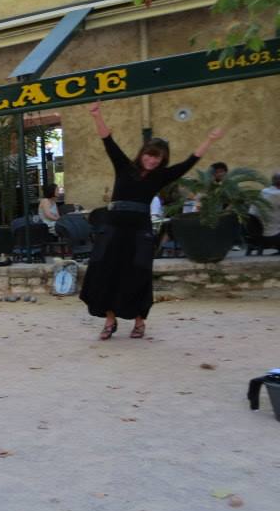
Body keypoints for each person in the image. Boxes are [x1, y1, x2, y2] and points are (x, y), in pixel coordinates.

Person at [81, 101, 223, 340]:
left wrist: (209, 139)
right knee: (105, 272)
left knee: (138, 274)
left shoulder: (161, 176)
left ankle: (139, 322)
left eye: (158, 158)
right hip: (114, 230)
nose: (153, 160)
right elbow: (108, 141)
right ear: (143, 153)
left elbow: (190, 161)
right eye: (150, 155)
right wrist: (97, 115)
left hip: (139, 233)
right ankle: (110, 320)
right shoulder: (124, 167)